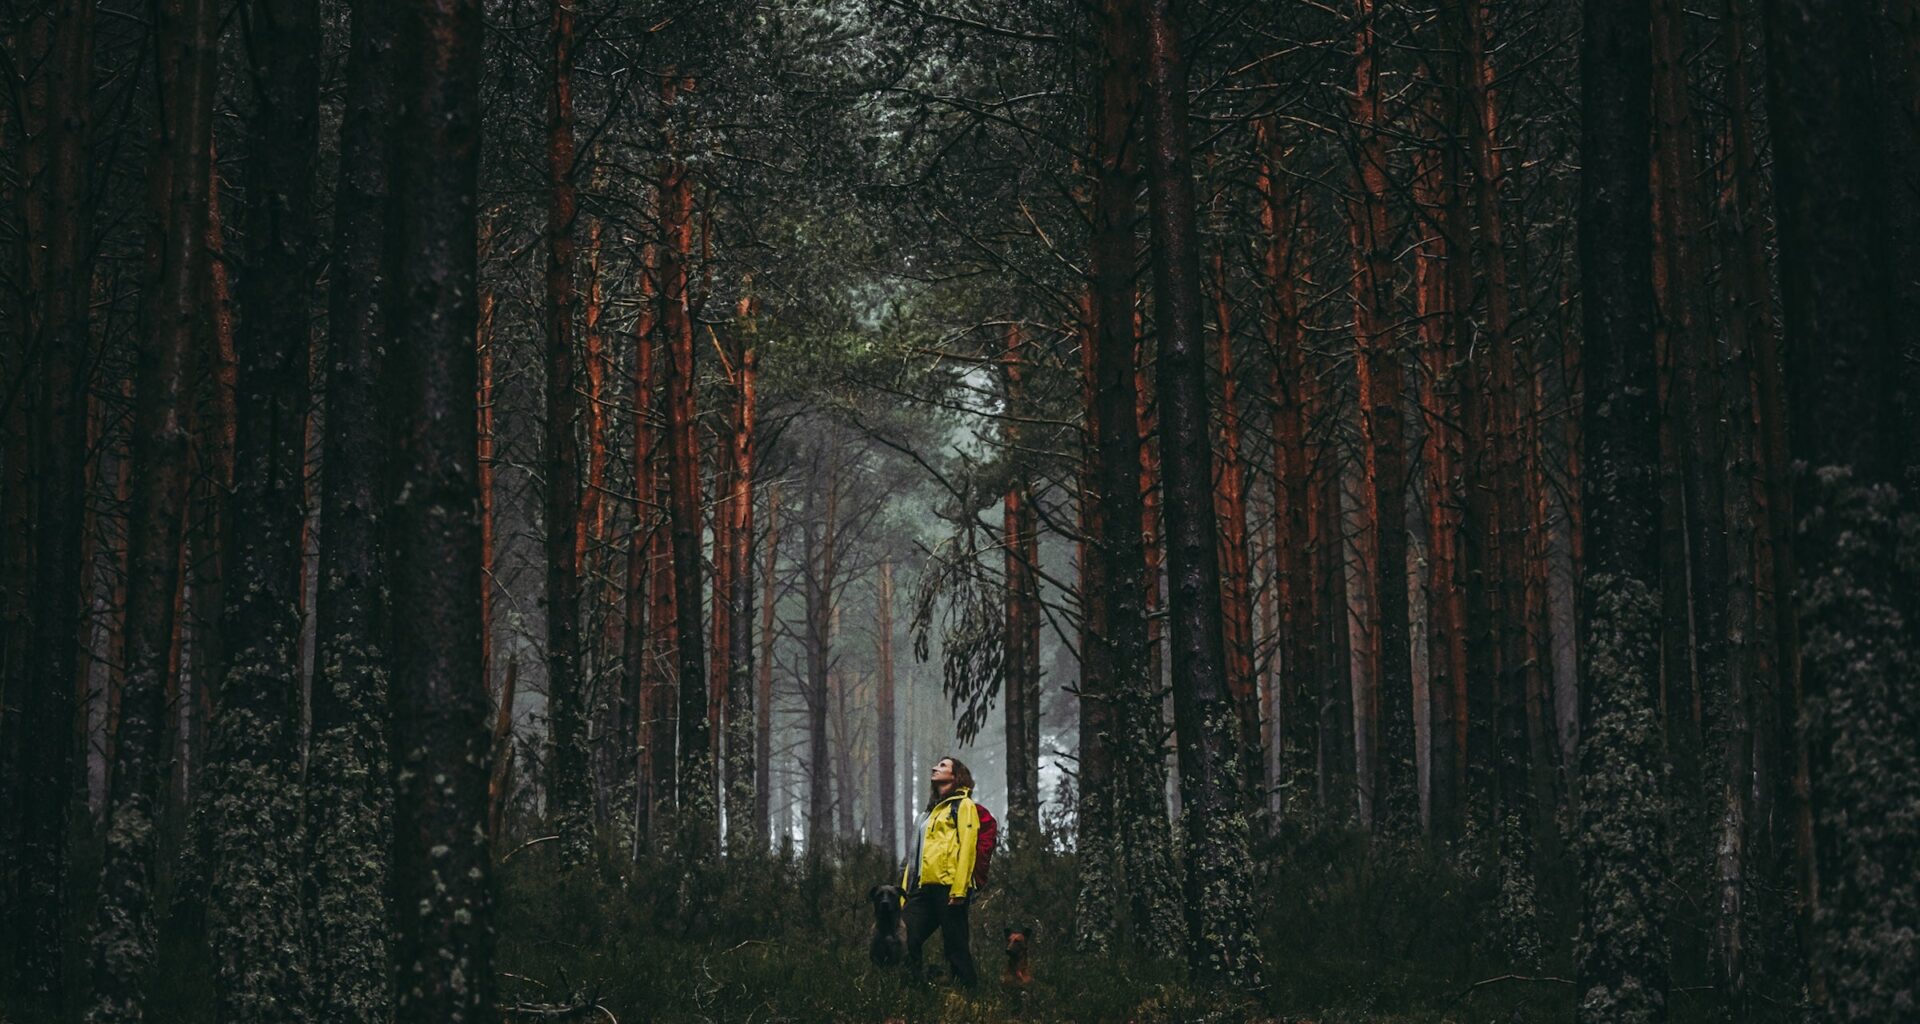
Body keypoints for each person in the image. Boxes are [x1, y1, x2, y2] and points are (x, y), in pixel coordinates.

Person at [898, 756, 997, 987]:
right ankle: (915, 993)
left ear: (956, 775)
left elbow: (968, 849)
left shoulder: (964, 806)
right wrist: (904, 893)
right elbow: (915, 857)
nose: (935, 768)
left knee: (956, 948)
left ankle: (970, 1001)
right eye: (936, 765)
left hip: (950, 889)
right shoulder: (928, 814)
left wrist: (960, 890)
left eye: (942, 766)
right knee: (905, 937)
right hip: (923, 890)